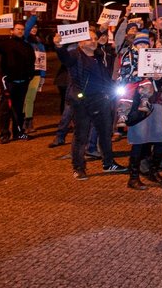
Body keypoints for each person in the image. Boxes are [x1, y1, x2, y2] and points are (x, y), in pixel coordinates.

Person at [53, 29, 128, 180]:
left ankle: (108, 163)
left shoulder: (99, 56)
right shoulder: (75, 55)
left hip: (101, 99)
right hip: (82, 101)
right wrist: (59, 46)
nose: (93, 41)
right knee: (81, 135)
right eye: (89, 39)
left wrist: (102, 45)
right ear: (80, 42)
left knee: (105, 133)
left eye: (94, 39)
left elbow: (108, 57)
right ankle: (78, 167)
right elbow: (64, 57)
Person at [0, 21, 36, 143]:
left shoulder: (27, 46)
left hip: (23, 81)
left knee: (19, 109)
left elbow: (32, 62)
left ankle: (18, 132)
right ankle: (4, 134)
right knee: (6, 108)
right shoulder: (6, 44)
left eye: (22, 29)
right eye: (18, 29)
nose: (20, 31)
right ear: (12, 31)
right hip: (9, 82)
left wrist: (29, 76)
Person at [124, 78, 162, 189]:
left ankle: (153, 171)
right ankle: (133, 178)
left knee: (160, 139)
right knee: (139, 140)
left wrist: (161, 78)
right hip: (138, 103)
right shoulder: (130, 60)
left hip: (157, 102)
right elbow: (125, 77)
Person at [22, 18, 46, 135]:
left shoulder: (39, 43)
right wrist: (33, 17)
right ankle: (22, 121)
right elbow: (26, 30)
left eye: (36, 27)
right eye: (32, 27)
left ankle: (28, 121)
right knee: (24, 98)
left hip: (36, 74)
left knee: (31, 99)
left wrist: (43, 76)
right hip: (25, 73)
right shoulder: (25, 41)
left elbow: (43, 60)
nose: (34, 29)